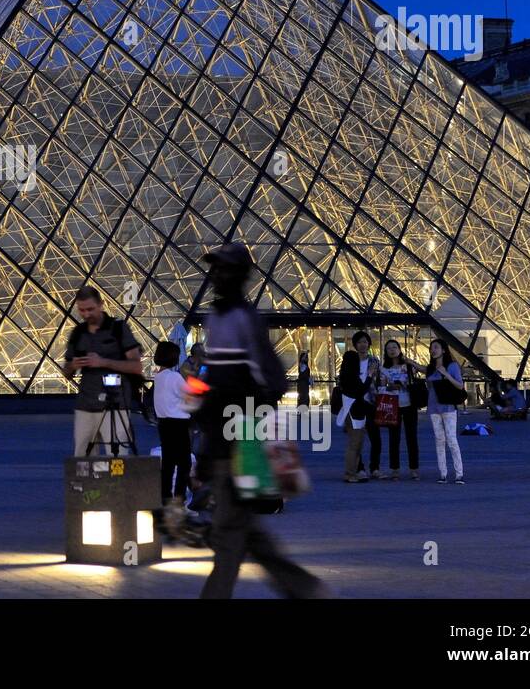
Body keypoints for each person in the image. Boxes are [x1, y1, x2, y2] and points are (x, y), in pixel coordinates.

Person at [194, 243, 324, 599]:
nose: (215, 276)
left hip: (241, 445)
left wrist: (246, 425)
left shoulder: (243, 320)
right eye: (214, 269)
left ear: (239, 276)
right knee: (244, 534)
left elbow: (271, 381)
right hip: (222, 444)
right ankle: (308, 590)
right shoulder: (216, 318)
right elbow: (216, 386)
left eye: (222, 269)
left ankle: (308, 590)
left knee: (230, 538)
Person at [62, 286, 144, 457]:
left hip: (116, 403)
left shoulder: (118, 329)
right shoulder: (78, 333)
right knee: (82, 460)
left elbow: (136, 366)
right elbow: (67, 372)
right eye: (81, 310)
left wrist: (103, 362)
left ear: (101, 304)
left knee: (117, 459)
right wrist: (74, 365)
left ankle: (118, 485)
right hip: (85, 404)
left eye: (90, 309)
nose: (86, 314)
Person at [151, 341, 192, 506]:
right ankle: (178, 502)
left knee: (168, 464)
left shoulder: (158, 377)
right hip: (179, 425)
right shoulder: (175, 377)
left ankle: (166, 500)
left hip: (164, 424)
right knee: (184, 464)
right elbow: (191, 395)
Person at [377, 339, 420, 480]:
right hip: (392, 406)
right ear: (386, 352)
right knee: (394, 438)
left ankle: (414, 469)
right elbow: (381, 387)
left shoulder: (408, 366)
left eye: (394, 347)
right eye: (389, 348)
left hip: (409, 405)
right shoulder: (384, 369)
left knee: (411, 437)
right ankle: (395, 469)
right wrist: (389, 386)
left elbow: (414, 381)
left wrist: (403, 384)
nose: (392, 350)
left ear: (400, 349)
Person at [426, 338, 466, 484]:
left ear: (443, 350)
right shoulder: (430, 368)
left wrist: (446, 374)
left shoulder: (452, 366)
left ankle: (459, 474)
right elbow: (429, 387)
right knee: (439, 440)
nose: (433, 350)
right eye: (431, 348)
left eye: (436, 347)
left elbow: (460, 386)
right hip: (433, 407)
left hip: (448, 406)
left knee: (451, 439)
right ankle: (443, 474)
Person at [337, 350, 373, 482]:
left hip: (352, 410)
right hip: (354, 412)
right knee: (355, 444)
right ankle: (350, 473)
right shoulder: (351, 376)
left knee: (356, 444)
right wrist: (369, 376)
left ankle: (353, 471)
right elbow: (361, 391)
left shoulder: (345, 375)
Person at [353, 331, 384, 479]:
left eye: (365, 341)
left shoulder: (374, 361)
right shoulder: (351, 361)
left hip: (372, 401)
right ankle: (360, 468)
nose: (363, 344)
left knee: (375, 437)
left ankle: (375, 467)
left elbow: (379, 380)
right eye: (360, 342)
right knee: (357, 438)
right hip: (356, 403)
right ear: (355, 345)